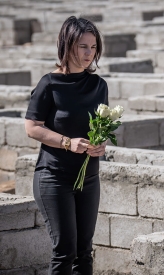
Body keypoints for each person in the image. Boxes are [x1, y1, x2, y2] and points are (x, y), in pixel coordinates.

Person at [24, 16, 108, 275]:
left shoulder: (98, 85)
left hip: (89, 179)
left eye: (93, 47)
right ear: (67, 44)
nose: (89, 53)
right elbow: (32, 127)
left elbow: (101, 127)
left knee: (84, 252)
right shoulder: (49, 84)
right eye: (83, 46)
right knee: (65, 252)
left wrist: (100, 145)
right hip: (54, 178)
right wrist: (66, 142)